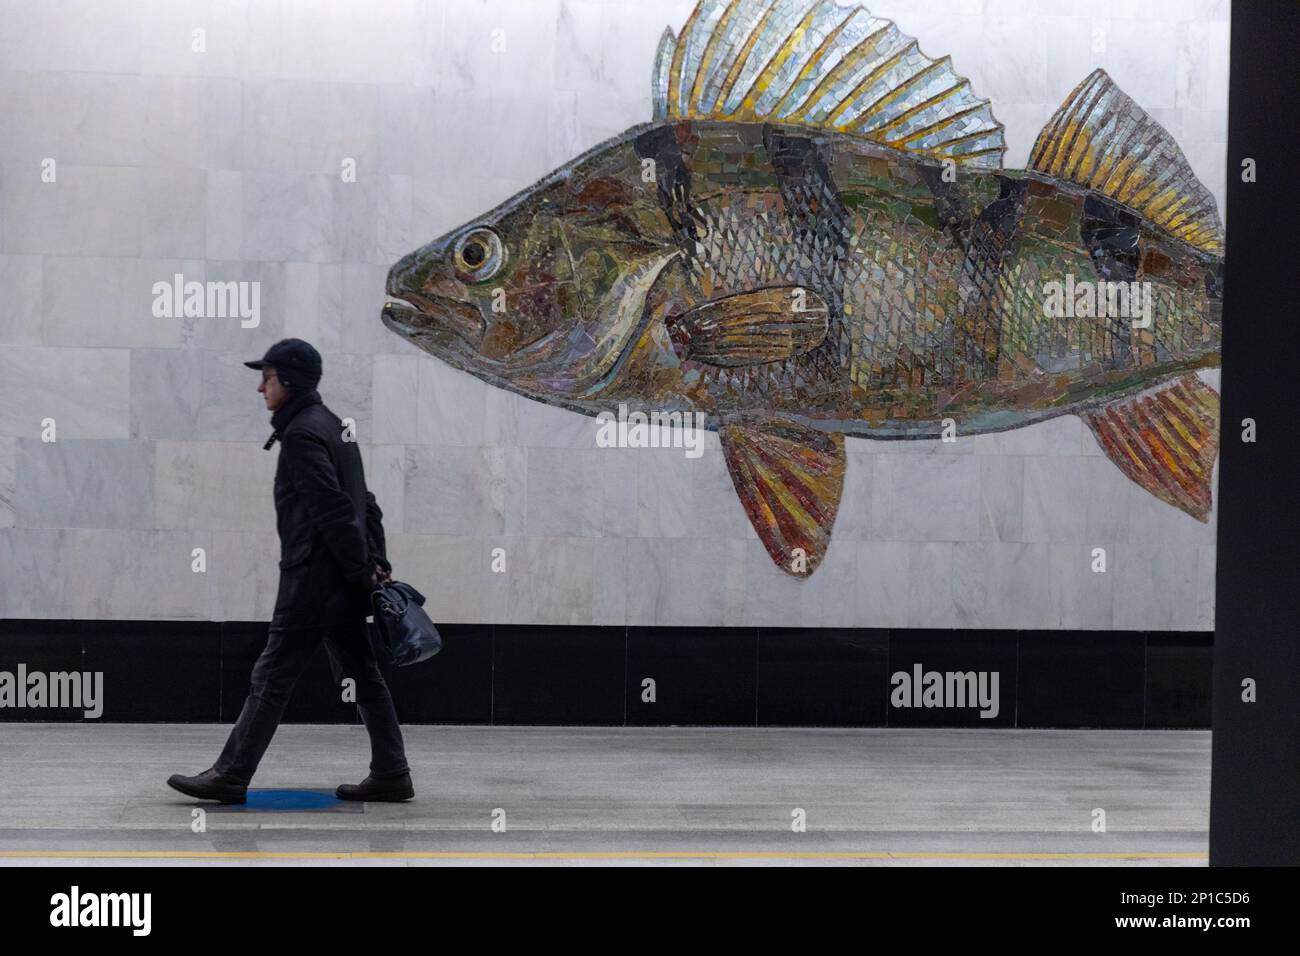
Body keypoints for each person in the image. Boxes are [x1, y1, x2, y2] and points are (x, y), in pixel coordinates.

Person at [167, 338, 413, 804]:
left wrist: (363, 567)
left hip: (314, 582)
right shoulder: (334, 426)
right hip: (341, 580)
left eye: (268, 377)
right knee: (363, 675)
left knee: (272, 675)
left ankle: (231, 774)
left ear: (290, 381)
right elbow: (368, 505)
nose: (261, 388)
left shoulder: (302, 433)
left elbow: (335, 509)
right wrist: (374, 563)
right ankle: (391, 772)